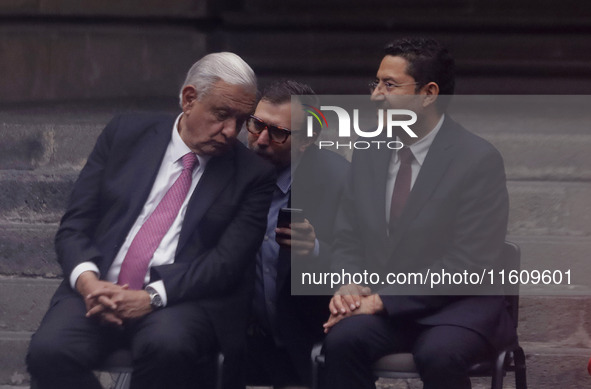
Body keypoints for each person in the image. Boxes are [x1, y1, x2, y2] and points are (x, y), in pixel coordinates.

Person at [26, 52, 276, 389]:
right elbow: (75, 225)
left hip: (180, 300)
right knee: (49, 351)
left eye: (241, 119)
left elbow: (226, 263)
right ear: (189, 99)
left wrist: (151, 297)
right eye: (221, 114)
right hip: (98, 289)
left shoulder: (251, 175)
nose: (231, 131)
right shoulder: (125, 135)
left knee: (167, 347)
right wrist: (88, 284)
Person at [321, 38, 517, 389]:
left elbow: (468, 263)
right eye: (376, 82)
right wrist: (349, 283)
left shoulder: (477, 160)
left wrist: (383, 300)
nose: (376, 95)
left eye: (390, 85)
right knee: (342, 342)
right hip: (388, 307)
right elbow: (346, 236)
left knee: (438, 354)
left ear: (429, 94)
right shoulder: (370, 150)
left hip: (459, 306)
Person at [244, 80, 349, 387]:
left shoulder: (339, 181)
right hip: (246, 337)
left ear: (307, 139)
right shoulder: (230, 171)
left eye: (278, 132)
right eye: (256, 125)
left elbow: (367, 263)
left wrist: (316, 251)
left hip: (311, 331)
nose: (261, 140)